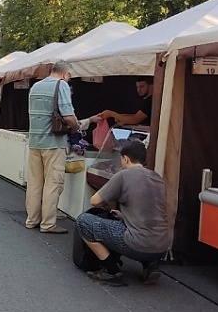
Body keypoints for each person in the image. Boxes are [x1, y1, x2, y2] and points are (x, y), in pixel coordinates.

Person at [76, 140, 170, 286]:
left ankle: (112, 271)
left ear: (126, 158)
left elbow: (94, 201)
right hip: (163, 246)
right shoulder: (157, 178)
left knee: (84, 221)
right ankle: (151, 265)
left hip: (138, 244)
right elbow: (148, 211)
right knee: (141, 230)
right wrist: (124, 216)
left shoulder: (124, 175)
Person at [25, 60, 79, 233]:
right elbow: (68, 116)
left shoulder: (35, 87)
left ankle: (32, 219)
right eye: (69, 77)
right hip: (53, 143)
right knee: (52, 184)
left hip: (34, 142)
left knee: (34, 183)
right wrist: (76, 127)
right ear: (65, 74)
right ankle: (48, 223)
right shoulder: (61, 85)